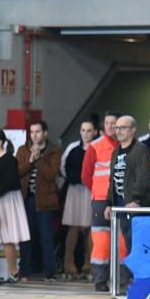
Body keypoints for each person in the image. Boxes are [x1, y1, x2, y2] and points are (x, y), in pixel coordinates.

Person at [16, 120, 62, 281]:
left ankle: (49, 272)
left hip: (45, 201)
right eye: (32, 132)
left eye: (37, 132)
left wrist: (38, 159)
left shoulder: (53, 151)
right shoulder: (22, 150)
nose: (34, 135)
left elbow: (51, 175)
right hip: (26, 199)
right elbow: (18, 172)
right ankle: (25, 271)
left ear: (45, 133)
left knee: (46, 237)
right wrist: (30, 161)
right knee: (26, 237)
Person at [0, 129, 30, 285]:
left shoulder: (9, 160)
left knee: (7, 237)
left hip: (7, 201)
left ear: (0, 142)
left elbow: (11, 182)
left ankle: (12, 272)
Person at [82, 111, 121, 292]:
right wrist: (99, 190)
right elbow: (86, 175)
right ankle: (100, 280)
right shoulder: (95, 146)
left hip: (121, 199)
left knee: (122, 240)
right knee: (101, 241)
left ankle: (122, 278)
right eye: (107, 123)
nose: (111, 126)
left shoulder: (126, 145)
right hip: (100, 199)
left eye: (114, 123)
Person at [107, 115, 150, 255]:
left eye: (123, 127)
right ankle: (133, 273)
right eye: (117, 128)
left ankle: (140, 274)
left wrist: (136, 200)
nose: (118, 131)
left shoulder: (141, 149)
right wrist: (109, 202)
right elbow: (112, 179)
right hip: (121, 202)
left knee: (137, 240)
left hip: (136, 204)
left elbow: (144, 177)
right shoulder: (116, 151)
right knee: (127, 239)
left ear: (133, 130)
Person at [61, 119, 97, 278]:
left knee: (90, 227)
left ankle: (89, 262)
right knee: (73, 226)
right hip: (74, 190)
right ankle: (68, 261)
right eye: (83, 130)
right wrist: (75, 179)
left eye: (89, 130)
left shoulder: (98, 149)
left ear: (95, 132)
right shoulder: (72, 149)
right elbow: (63, 167)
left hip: (91, 190)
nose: (86, 134)